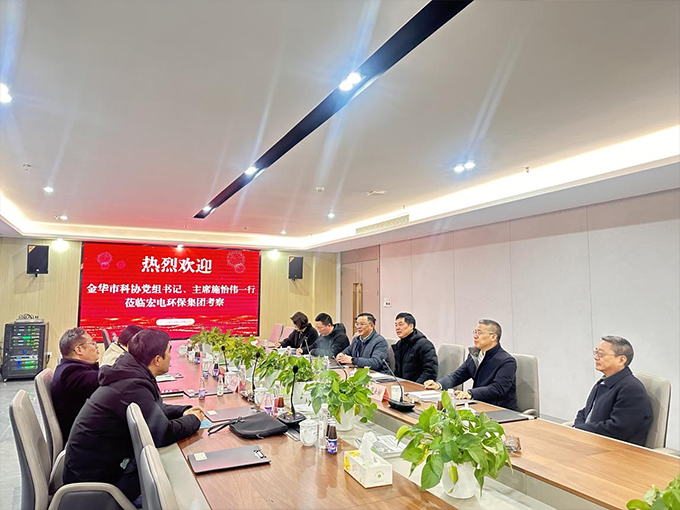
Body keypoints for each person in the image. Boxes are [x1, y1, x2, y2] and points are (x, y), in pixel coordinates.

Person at [64, 329, 204, 503]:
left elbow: (153, 408)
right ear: (157, 360)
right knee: (180, 486)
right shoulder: (132, 386)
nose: (171, 356)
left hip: (98, 468)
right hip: (97, 486)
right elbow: (163, 434)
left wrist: (184, 411)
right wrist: (194, 420)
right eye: (169, 351)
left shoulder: (130, 374)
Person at [572, 336, 652, 446]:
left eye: (601, 354)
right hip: (591, 442)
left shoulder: (631, 389)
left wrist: (580, 429)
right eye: (596, 352)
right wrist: (577, 428)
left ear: (621, 360)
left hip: (615, 450)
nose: (596, 357)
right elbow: (586, 412)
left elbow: (617, 429)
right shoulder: (603, 382)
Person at [424, 319, 518, 410]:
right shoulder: (475, 355)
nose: (475, 336)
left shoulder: (506, 361)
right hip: (479, 405)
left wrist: (471, 393)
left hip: (499, 410)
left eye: (480, 333)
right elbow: (458, 375)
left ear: (493, 337)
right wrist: (439, 384)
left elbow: (498, 388)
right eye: (475, 332)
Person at [51, 327, 101, 441]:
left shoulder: (68, 368)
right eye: (93, 343)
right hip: (85, 440)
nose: (96, 346)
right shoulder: (70, 373)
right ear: (79, 349)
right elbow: (102, 378)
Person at [392, 312, 439, 384]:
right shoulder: (399, 344)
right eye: (396, 325)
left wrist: (415, 386)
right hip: (403, 385)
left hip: (418, 387)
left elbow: (430, 371)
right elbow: (398, 372)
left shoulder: (425, 345)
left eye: (401, 324)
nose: (397, 328)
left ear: (411, 326)